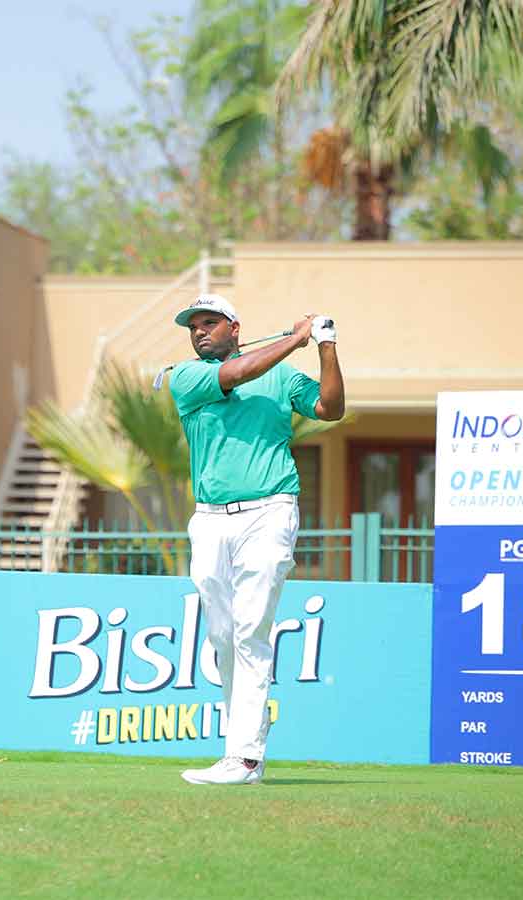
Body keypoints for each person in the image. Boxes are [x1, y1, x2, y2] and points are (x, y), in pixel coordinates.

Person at [168, 294, 344, 786]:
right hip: (209, 520)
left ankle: (244, 757)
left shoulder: (283, 376)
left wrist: (325, 345)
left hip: (269, 510)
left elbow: (330, 408)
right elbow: (237, 376)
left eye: (210, 323)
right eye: (193, 326)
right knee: (223, 637)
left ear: (235, 327)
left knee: (249, 629)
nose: (199, 332)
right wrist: (297, 337)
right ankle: (240, 752)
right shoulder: (187, 378)